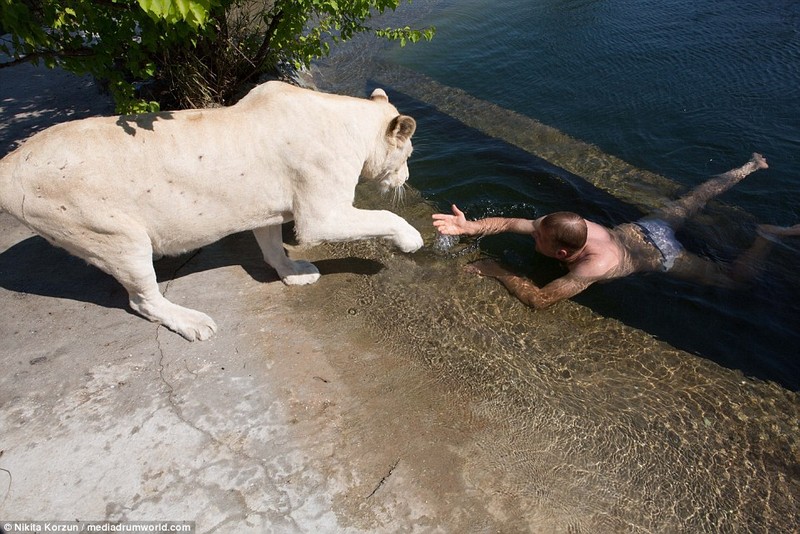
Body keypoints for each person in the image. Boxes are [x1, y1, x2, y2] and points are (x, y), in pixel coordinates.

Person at [432, 153, 800, 309]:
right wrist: (471, 227)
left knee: (734, 281)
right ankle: (750, 166)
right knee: (696, 198)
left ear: (564, 254)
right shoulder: (567, 227)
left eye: (538, 237)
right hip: (647, 228)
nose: (532, 233)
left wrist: (499, 270)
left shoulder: (590, 267)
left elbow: (541, 300)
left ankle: (767, 236)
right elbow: (514, 223)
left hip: (661, 256)